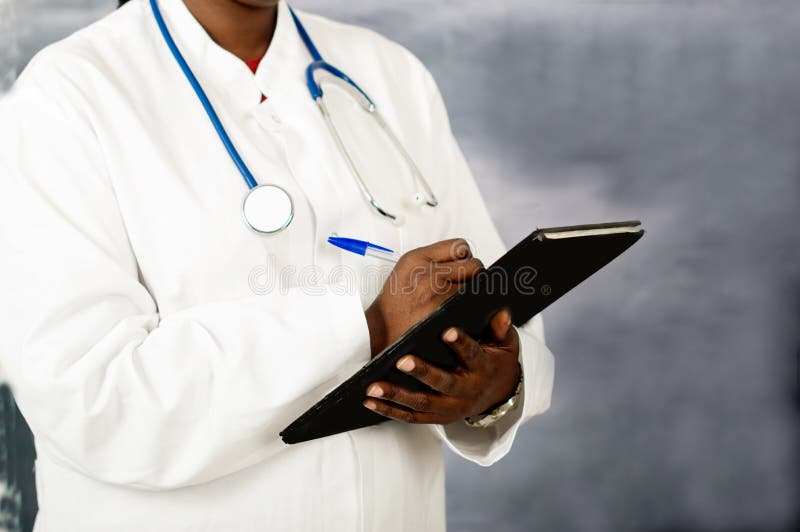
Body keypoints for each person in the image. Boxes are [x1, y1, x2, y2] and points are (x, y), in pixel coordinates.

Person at [0, 0, 555, 530]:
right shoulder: (68, 94)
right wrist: (365, 327)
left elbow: (492, 295)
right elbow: (92, 400)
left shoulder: (389, 74)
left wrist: (500, 381)